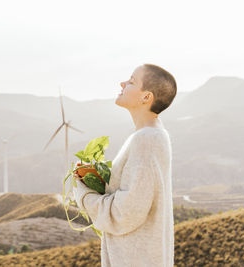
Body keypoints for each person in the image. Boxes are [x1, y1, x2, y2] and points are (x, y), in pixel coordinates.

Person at [73, 63, 177, 267]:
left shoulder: (147, 139)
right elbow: (138, 193)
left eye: (131, 81)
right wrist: (96, 176)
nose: (122, 83)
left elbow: (127, 212)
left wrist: (84, 194)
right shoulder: (151, 135)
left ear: (146, 97)